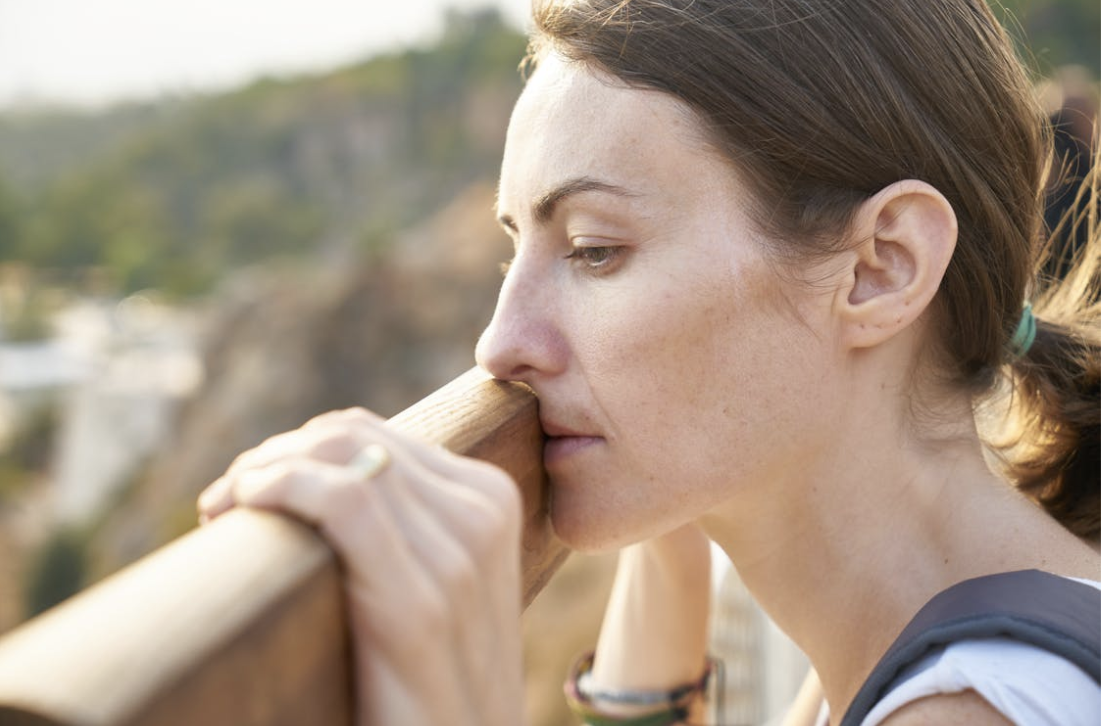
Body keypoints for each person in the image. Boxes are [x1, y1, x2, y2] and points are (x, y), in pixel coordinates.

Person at [197, 0, 1101, 724]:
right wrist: (665, 544)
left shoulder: (972, 708)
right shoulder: (918, 640)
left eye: (593, 250)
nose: (498, 344)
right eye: (517, 250)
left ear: (880, 268)